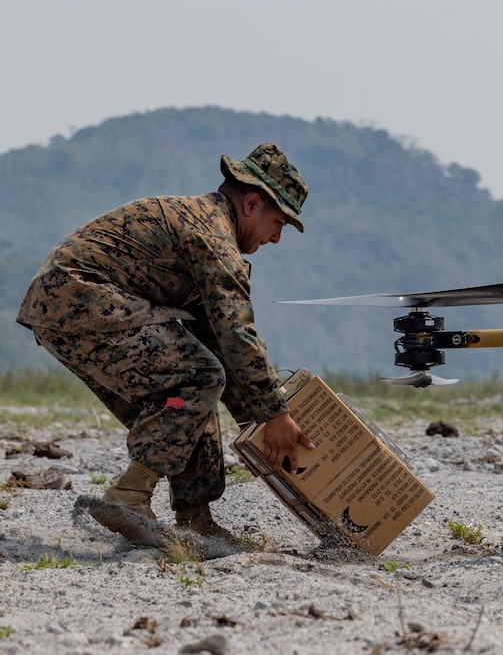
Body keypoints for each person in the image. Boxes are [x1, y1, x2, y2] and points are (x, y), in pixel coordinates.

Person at [17, 142, 315, 545]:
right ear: (252, 204)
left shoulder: (206, 227)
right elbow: (237, 332)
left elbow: (223, 345)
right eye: (279, 222)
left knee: (193, 389)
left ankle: (195, 519)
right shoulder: (212, 235)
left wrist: (261, 418)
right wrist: (275, 414)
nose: (277, 238)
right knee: (199, 377)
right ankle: (129, 495)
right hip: (80, 299)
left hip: (68, 306)